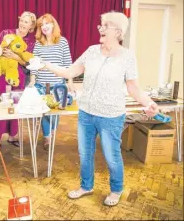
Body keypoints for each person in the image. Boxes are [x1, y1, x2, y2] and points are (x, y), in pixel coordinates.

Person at [39, 11, 159, 206]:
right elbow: (70, 71)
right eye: (100, 24)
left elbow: (133, 87)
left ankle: (116, 189)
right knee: (85, 154)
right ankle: (86, 186)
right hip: (86, 113)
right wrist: (45, 65)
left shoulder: (127, 56)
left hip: (111, 116)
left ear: (118, 32)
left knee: (112, 156)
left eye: (105, 25)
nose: (100, 28)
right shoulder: (92, 51)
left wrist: (148, 103)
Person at [0, 11, 37, 153]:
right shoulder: (6, 33)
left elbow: (27, 62)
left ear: (31, 26)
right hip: (1, 74)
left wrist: (16, 57)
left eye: (26, 22)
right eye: (22, 20)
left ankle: (12, 135)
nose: (22, 23)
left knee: (15, 103)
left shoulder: (30, 42)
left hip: (17, 75)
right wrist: (1, 51)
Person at [29, 13, 75, 151]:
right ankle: (47, 137)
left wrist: (70, 81)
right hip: (42, 85)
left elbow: (68, 63)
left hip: (57, 85)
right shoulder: (38, 43)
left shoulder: (62, 42)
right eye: (41, 25)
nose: (44, 27)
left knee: (55, 111)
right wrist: (32, 81)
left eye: (47, 23)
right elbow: (34, 64)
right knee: (44, 111)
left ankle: (52, 132)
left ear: (53, 24)